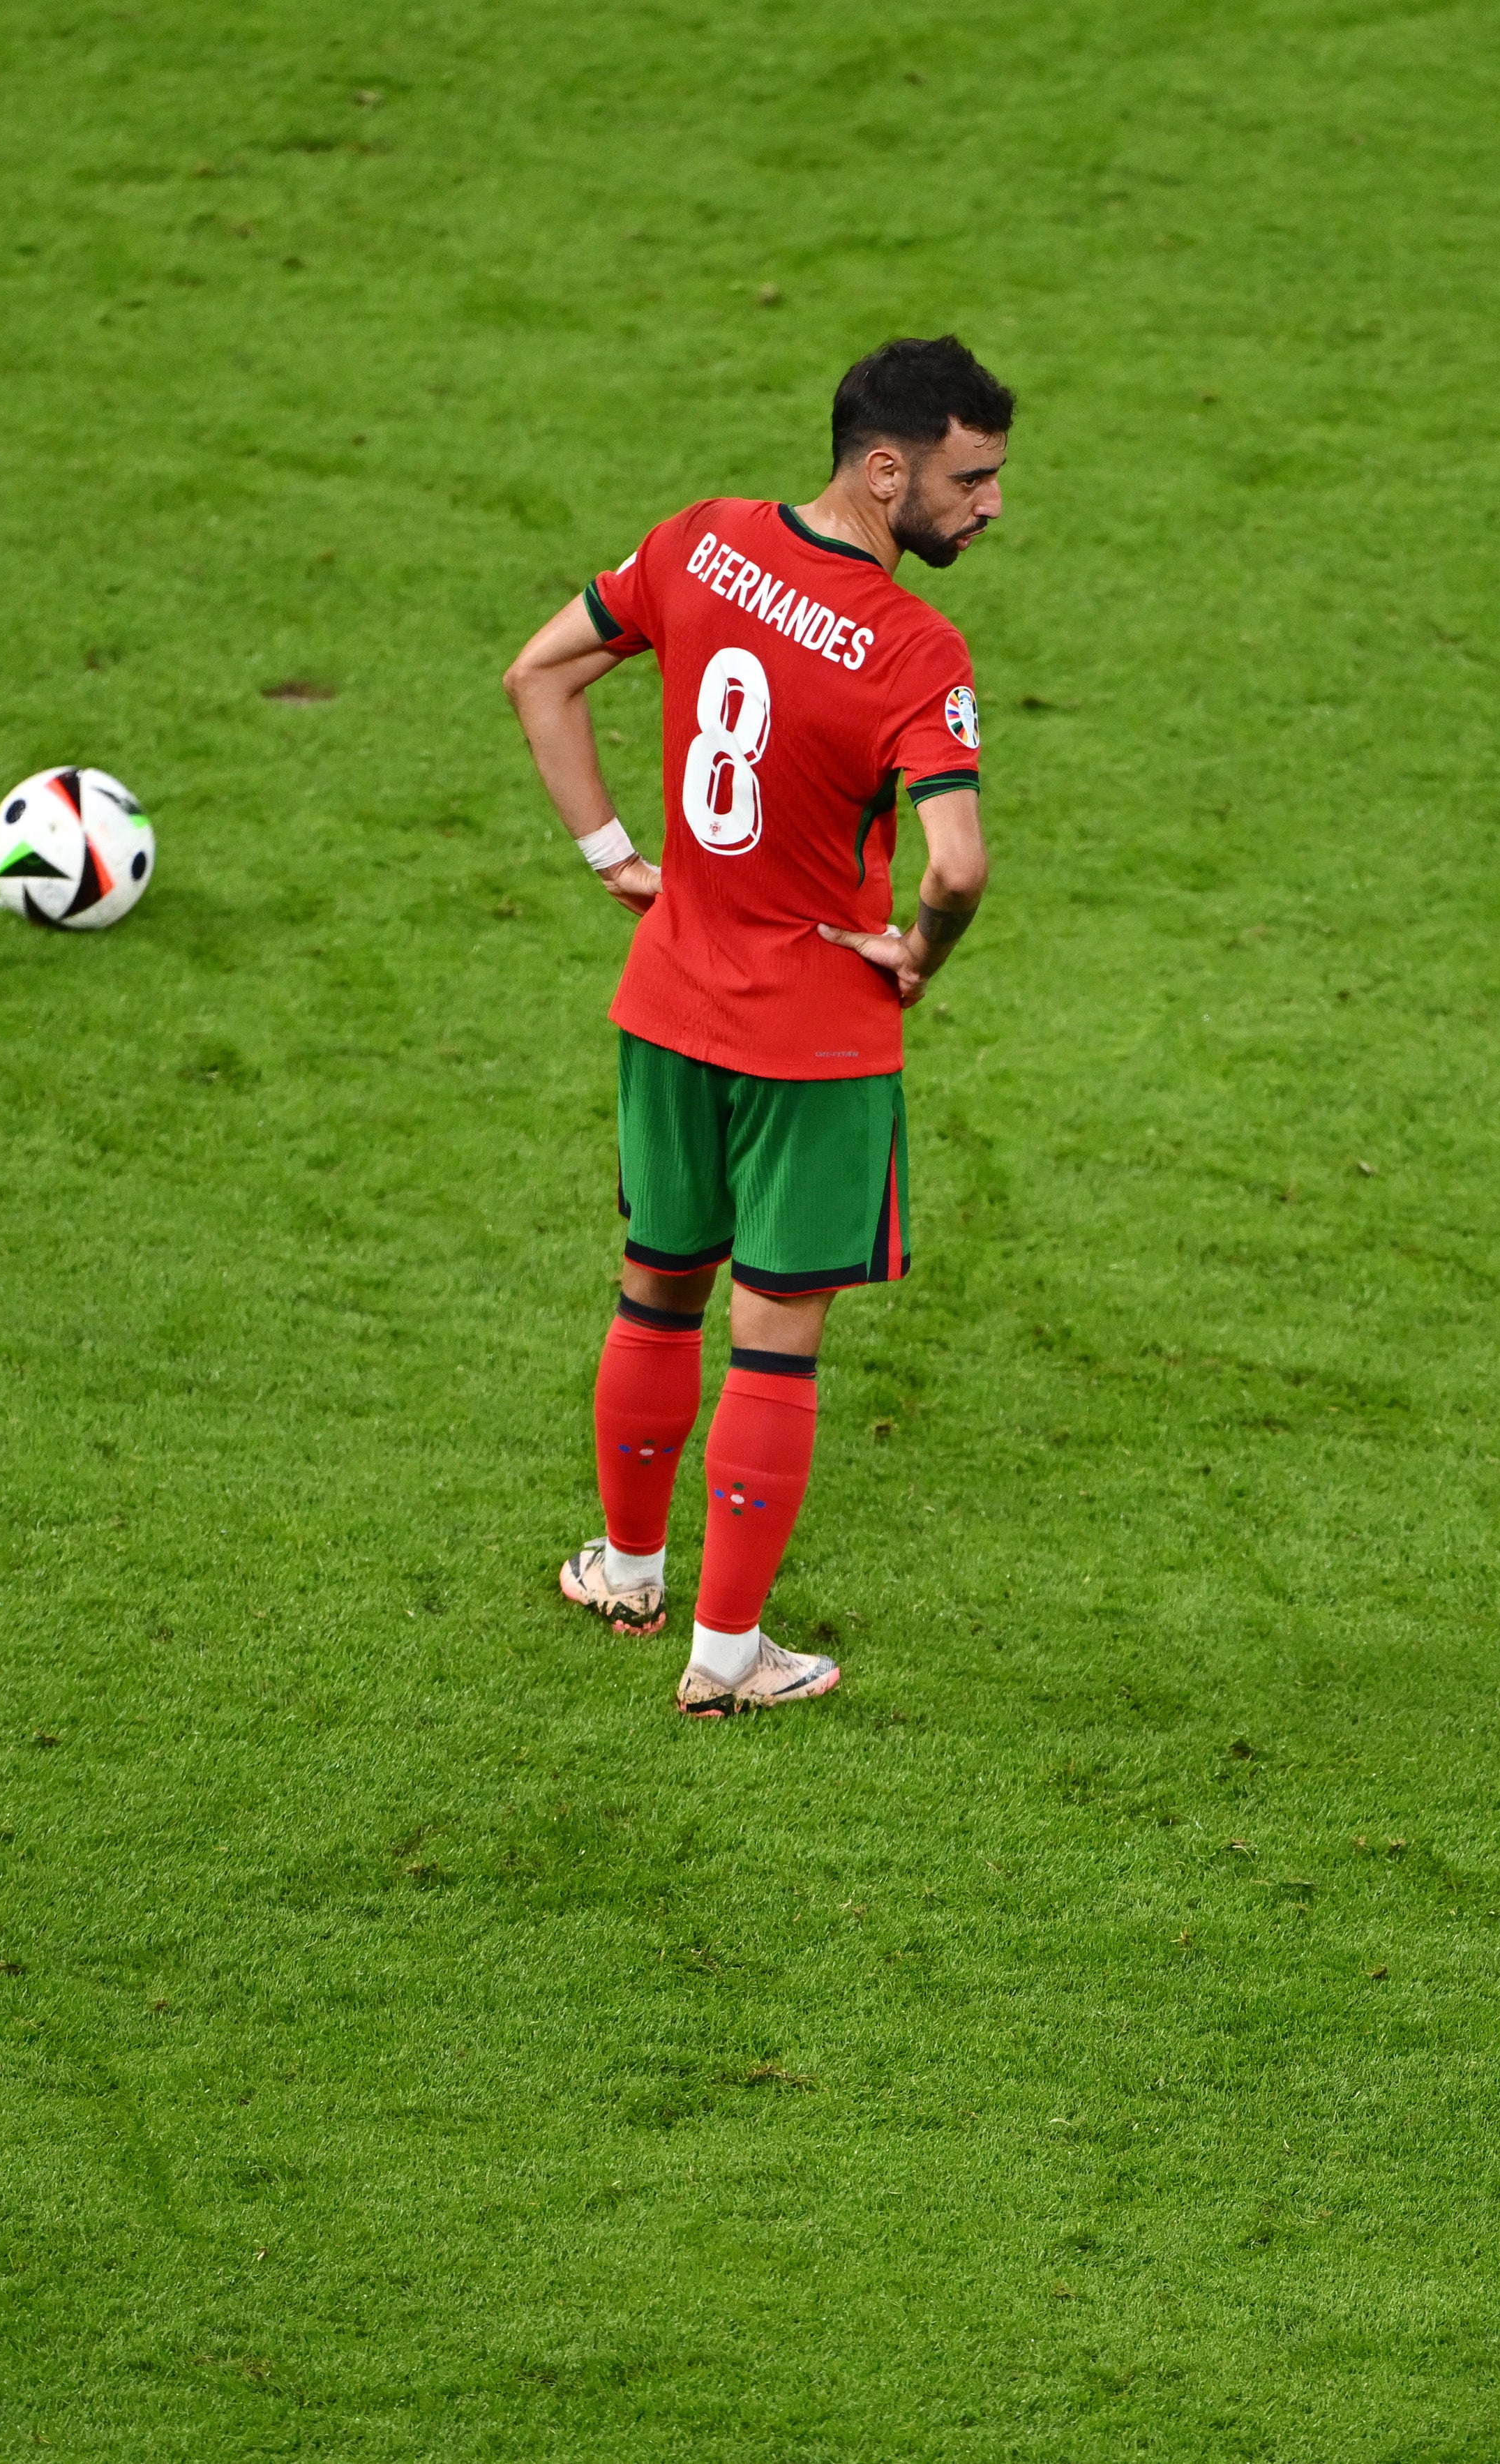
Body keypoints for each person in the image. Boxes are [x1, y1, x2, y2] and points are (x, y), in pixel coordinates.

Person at [499, 335, 1013, 1717]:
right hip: (812, 1037)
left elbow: (537, 676)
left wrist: (613, 853)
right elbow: (957, 863)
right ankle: (727, 1655)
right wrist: (918, 949)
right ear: (886, 468)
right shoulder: (915, 645)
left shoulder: (700, 542)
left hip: (667, 998)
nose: (991, 507)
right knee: (776, 1335)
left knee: (656, 1280)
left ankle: (625, 1567)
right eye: (972, 480)